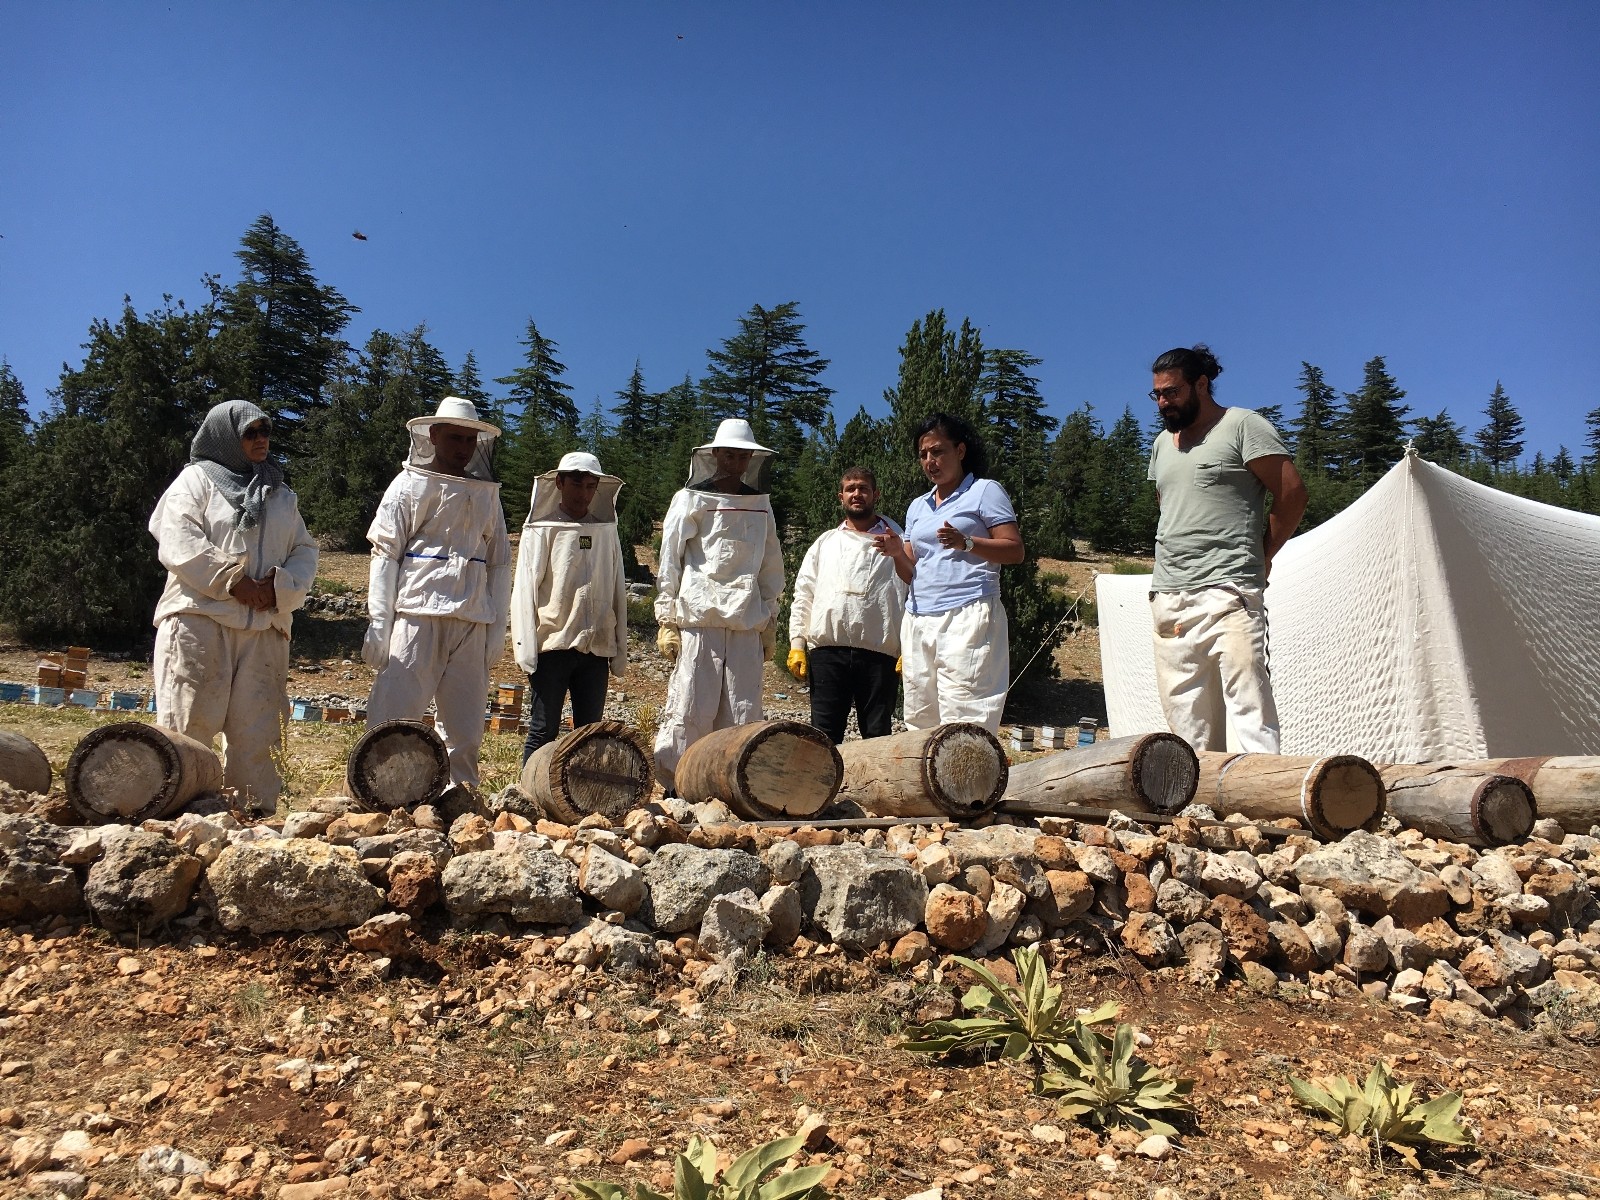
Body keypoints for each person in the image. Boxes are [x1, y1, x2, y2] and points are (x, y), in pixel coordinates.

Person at [149, 400, 318, 814]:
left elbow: (304, 551)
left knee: (258, 734)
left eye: (265, 431)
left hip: (264, 628)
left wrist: (277, 589)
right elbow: (176, 537)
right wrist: (232, 581)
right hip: (199, 622)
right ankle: (173, 819)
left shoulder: (279, 494)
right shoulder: (194, 482)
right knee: (189, 723)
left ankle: (253, 821)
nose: (261, 439)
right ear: (226, 437)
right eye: (250, 432)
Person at [1146, 344, 1307, 753]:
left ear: (1201, 384)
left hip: (1229, 589)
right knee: (1185, 719)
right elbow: (1169, 507)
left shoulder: (1242, 425)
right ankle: (1195, 805)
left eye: (1173, 392)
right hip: (1169, 593)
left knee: (1250, 706)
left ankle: (1266, 804)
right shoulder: (1162, 443)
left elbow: (1291, 493)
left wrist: (1265, 553)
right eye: (1158, 394)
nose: (1164, 402)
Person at [363, 396, 511, 791]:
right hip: (417, 615)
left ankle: (459, 802)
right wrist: (380, 622)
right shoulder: (408, 485)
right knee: (395, 714)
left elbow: (499, 563)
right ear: (433, 435)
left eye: (469, 439)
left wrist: (498, 628)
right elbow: (385, 553)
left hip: (471, 621)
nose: (463, 448)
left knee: (464, 728)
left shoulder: (486, 494)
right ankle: (380, 794)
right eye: (455, 438)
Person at [652, 418, 784, 792]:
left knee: (742, 708)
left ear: (750, 458)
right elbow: (670, 558)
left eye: (743, 454)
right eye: (729, 452)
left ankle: (735, 784)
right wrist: (666, 617)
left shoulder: (760, 504)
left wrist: (770, 615)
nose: (736, 460)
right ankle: (675, 783)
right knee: (691, 702)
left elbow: (770, 561)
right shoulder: (691, 498)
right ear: (715, 455)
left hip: (746, 620)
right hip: (700, 616)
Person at [873, 412, 1024, 733]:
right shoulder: (918, 506)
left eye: (938, 451)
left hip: (967, 615)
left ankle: (969, 783)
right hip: (918, 621)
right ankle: (927, 783)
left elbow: (1014, 550)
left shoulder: (985, 491)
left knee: (966, 716)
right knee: (921, 718)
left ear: (960, 450)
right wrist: (898, 552)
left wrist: (967, 542)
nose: (930, 460)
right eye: (923, 454)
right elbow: (910, 573)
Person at [510, 451, 629, 762]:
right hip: (553, 645)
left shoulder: (604, 530)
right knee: (543, 729)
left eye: (591, 486)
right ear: (560, 483)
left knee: (589, 732)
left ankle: (579, 800)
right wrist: (524, 647)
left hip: (596, 648)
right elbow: (526, 588)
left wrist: (618, 646)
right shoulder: (542, 529)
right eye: (577, 484)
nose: (584, 493)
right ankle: (527, 797)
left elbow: (616, 586)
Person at [787, 466, 907, 743]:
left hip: (880, 655)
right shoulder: (824, 543)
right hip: (827, 653)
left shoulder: (899, 543)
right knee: (823, 738)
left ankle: (876, 789)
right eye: (850, 488)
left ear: (875, 494)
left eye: (863, 488)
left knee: (878, 738)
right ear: (840, 496)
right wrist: (797, 645)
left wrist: (908, 648)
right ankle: (822, 787)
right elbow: (803, 593)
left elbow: (912, 594)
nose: (857, 494)